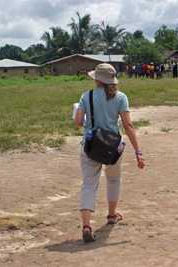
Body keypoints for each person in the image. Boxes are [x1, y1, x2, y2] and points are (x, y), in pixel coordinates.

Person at [74, 63, 145, 243]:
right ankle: (112, 215)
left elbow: (78, 121)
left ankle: (86, 225)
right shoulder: (121, 97)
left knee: (89, 184)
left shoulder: (86, 96)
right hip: (113, 147)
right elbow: (128, 126)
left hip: (90, 146)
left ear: (97, 79)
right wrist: (138, 151)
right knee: (113, 179)